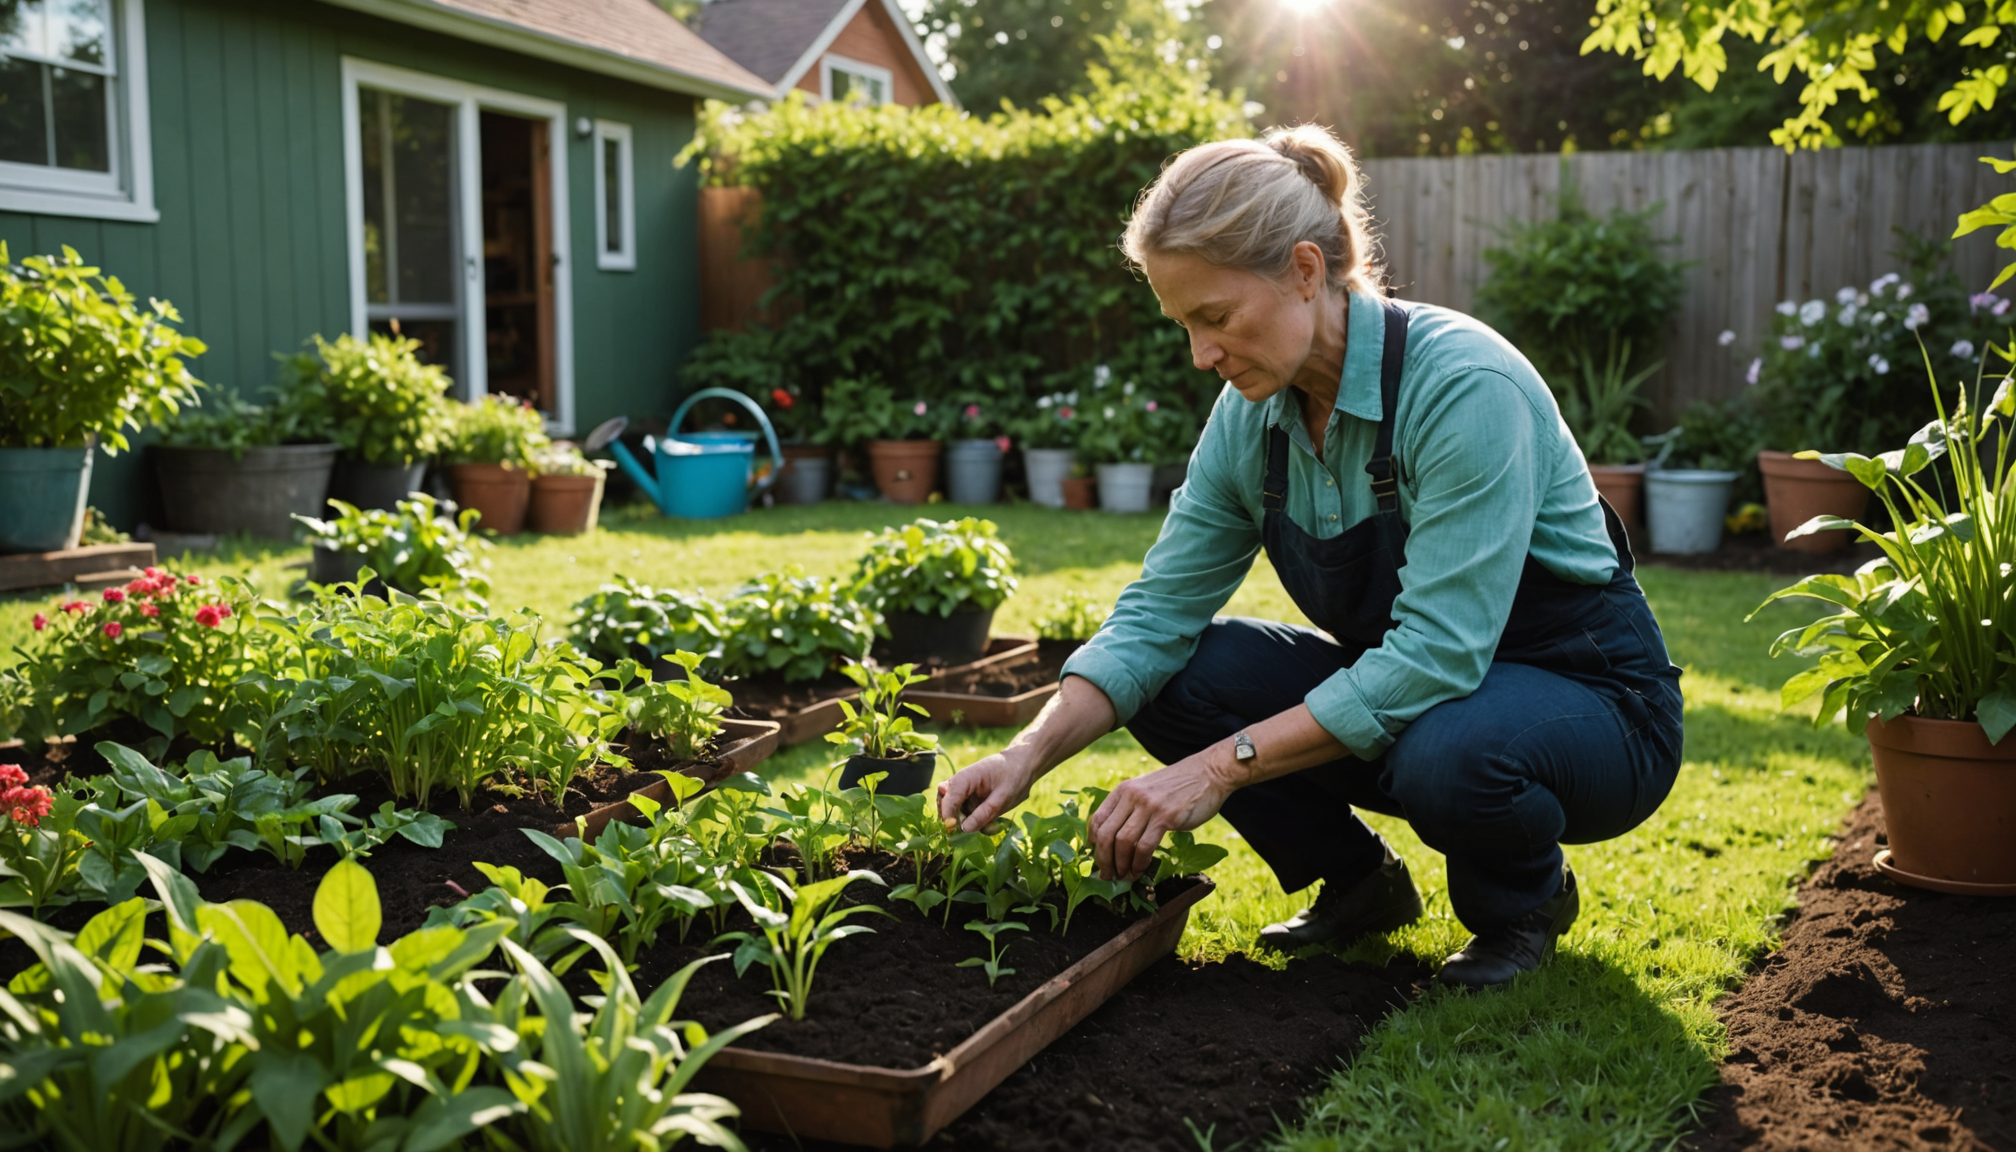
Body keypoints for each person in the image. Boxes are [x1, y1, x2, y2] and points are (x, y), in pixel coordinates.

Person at [936, 124, 1685, 989]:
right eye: (1184, 325)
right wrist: (1025, 755)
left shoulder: (1463, 386)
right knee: (1177, 672)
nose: (1201, 356)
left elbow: (1438, 654)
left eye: (1216, 317)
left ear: (1303, 270)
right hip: (1422, 699)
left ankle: (1524, 904)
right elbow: (1155, 615)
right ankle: (1360, 884)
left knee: (1451, 750)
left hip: (1594, 708)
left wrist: (1218, 768)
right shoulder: (1251, 417)